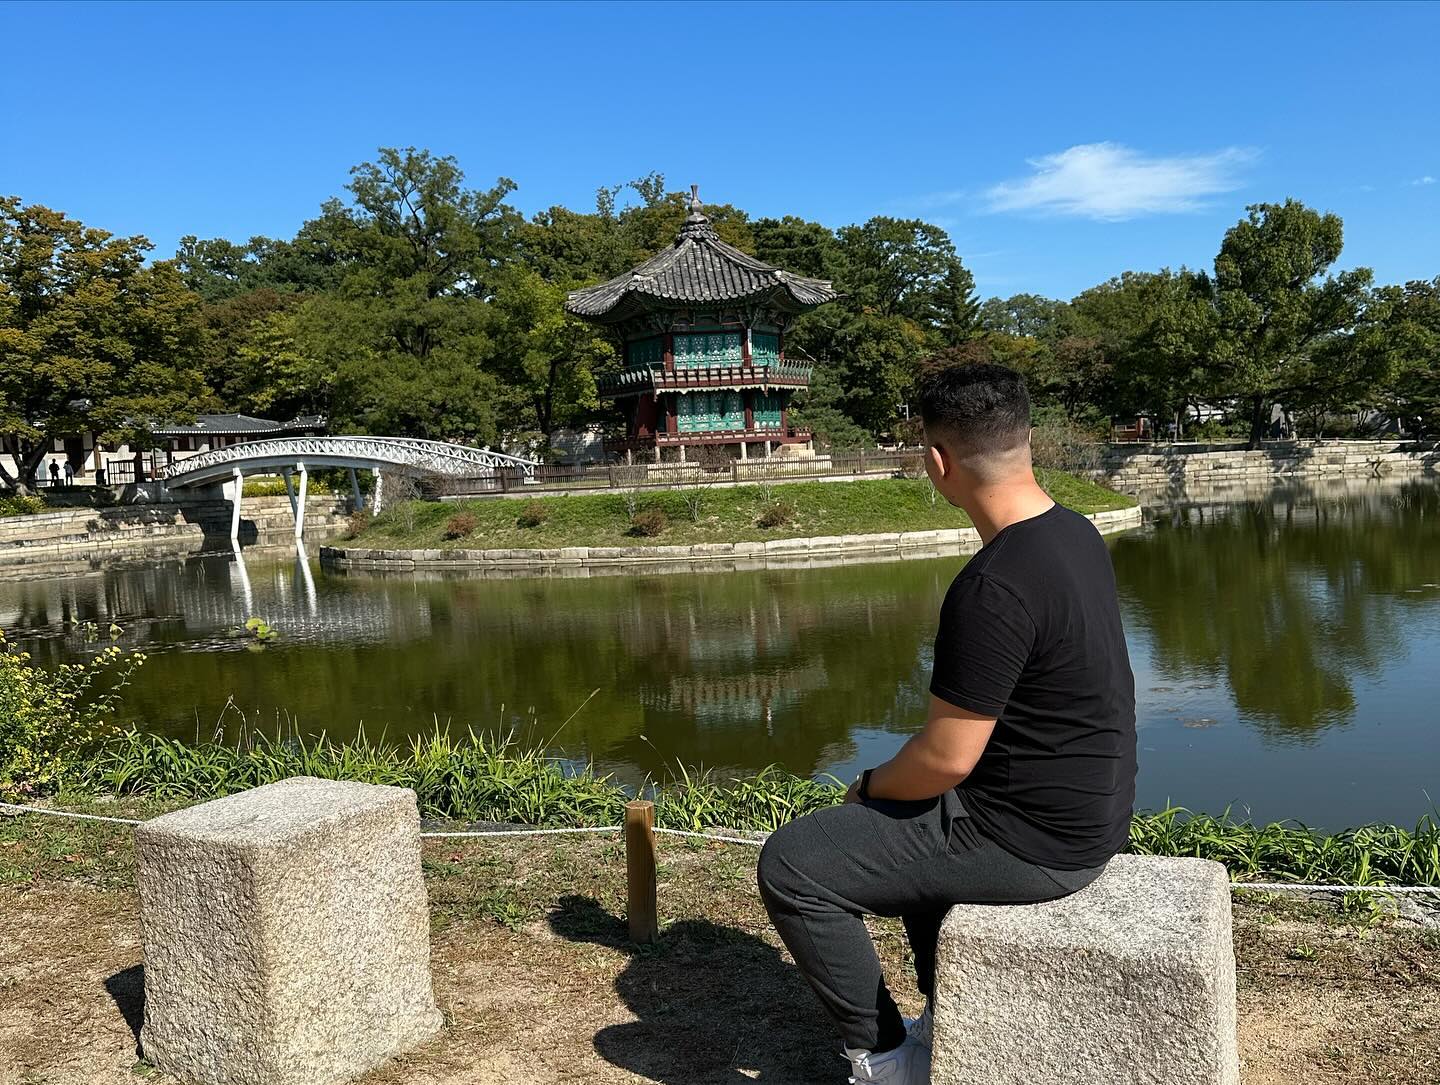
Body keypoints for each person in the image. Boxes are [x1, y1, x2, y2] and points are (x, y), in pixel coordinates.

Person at [757, 361, 1137, 1085]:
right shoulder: (1075, 533)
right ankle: (948, 1013)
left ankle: (884, 1058)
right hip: (1091, 810)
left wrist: (867, 786)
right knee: (907, 816)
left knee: (794, 863)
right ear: (1025, 440)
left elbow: (946, 758)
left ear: (938, 461)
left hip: (1034, 839)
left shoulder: (992, 584)